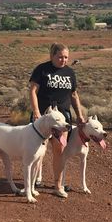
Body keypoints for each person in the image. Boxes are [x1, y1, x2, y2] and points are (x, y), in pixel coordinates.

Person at [29, 42, 85, 198]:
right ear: (52, 56)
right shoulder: (42, 69)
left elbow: (74, 95)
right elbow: (33, 90)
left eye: (66, 57)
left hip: (63, 118)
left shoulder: (70, 73)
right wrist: (36, 112)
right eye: (60, 57)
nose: (63, 60)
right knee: (37, 150)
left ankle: (57, 185)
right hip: (43, 118)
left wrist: (79, 114)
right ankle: (32, 183)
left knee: (59, 150)